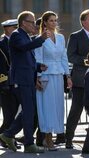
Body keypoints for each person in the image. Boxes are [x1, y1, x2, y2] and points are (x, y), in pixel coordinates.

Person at [0, 11, 50, 153]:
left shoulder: (25, 36)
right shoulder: (16, 35)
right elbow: (23, 48)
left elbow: (26, 59)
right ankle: (28, 143)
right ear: (23, 23)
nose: (34, 25)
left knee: (30, 111)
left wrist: (38, 65)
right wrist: (41, 39)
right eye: (32, 22)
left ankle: (8, 135)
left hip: (27, 79)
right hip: (20, 80)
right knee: (28, 111)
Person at [34, 11, 72, 150]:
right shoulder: (41, 38)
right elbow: (38, 58)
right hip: (46, 76)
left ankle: (53, 136)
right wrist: (37, 78)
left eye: (55, 20)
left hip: (58, 76)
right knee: (48, 107)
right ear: (44, 22)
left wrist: (68, 76)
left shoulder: (61, 37)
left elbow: (64, 57)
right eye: (51, 20)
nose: (54, 23)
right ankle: (48, 138)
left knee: (57, 107)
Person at [65, 9, 89, 149]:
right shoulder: (75, 36)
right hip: (80, 80)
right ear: (84, 22)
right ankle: (68, 139)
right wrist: (88, 61)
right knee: (76, 111)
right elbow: (70, 56)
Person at [0, 19, 20, 148]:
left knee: (13, 113)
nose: (16, 30)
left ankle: (8, 137)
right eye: (14, 27)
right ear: (7, 29)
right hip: (5, 84)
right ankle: (6, 137)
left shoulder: (15, 41)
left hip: (16, 82)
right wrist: (3, 83)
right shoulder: (1, 43)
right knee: (9, 114)